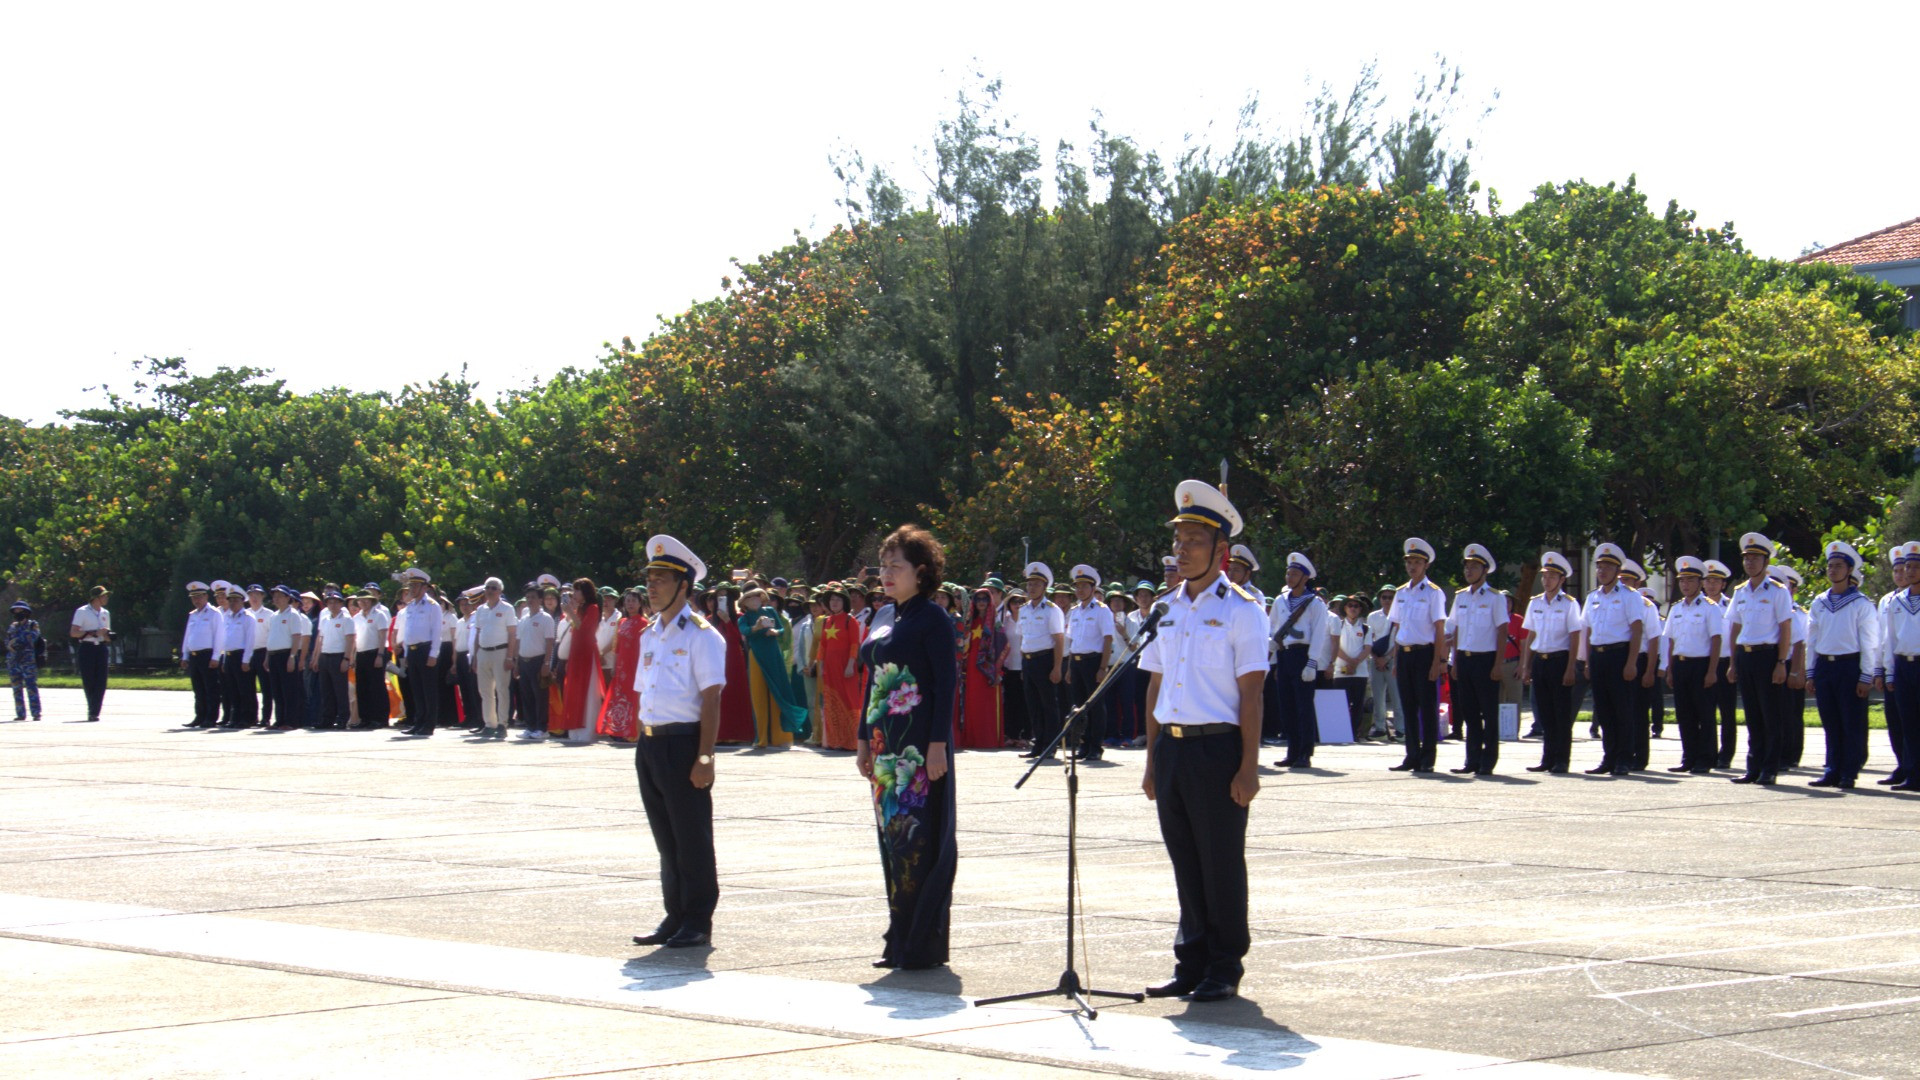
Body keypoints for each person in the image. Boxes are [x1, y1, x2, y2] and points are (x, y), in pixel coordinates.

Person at [1139, 479, 1268, 1003]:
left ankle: (1224, 963)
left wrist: (1249, 767)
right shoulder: (1165, 608)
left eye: (1194, 539)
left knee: (1219, 861)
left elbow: (1252, 695)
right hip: (1171, 748)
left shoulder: (1242, 610)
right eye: (1178, 540)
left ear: (1222, 551)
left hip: (1218, 751)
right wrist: (1151, 761)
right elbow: (1154, 685)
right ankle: (1190, 960)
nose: (1182, 549)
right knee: (1185, 861)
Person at [856, 525, 959, 970]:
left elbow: (945, 684)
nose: (886, 574)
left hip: (918, 751)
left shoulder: (932, 618)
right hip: (885, 748)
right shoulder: (886, 617)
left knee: (916, 842)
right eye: (883, 565)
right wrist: (862, 740)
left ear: (921, 571)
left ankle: (920, 943)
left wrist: (938, 746)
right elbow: (874, 684)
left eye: (896, 566)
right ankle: (898, 936)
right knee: (891, 843)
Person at [626, 538, 727, 950]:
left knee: (691, 837)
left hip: (685, 744)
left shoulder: (703, 635)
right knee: (666, 839)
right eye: (649, 578)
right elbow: (642, 691)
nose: (651, 587)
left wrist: (705, 757)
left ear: (683, 585)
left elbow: (711, 699)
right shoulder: (651, 634)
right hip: (651, 745)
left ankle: (698, 919)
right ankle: (675, 913)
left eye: (661, 579)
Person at [1803, 542, 1879, 790]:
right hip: (1826, 666)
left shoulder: (1860, 603)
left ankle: (1849, 771)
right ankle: (1831, 769)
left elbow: (1870, 643)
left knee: (1851, 721)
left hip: (1849, 665)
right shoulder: (1819, 602)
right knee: (1831, 722)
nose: (1833, 570)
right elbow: (1812, 640)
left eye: (1838, 566)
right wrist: (1810, 672)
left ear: (1849, 570)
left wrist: (1866, 675)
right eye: (1830, 566)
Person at [1726, 533, 1795, 785]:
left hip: (1768, 656)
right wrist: (1733, 662)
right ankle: (1753, 767)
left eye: (1755, 559)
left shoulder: (1778, 591)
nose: (1750, 563)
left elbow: (1785, 628)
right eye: (1747, 559)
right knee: (1752, 715)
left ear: (1766, 563)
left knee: (1770, 715)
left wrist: (1781, 662)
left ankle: (1770, 768)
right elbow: (1735, 627)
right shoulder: (1740, 592)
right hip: (1746, 656)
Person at [1579, 543, 1645, 777]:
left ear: (1618, 570)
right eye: (1599, 566)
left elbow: (1637, 630)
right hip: (1598, 656)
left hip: (1620, 655)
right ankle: (1609, 757)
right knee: (1604, 710)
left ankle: (1625, 759)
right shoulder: (1593, 597)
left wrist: (1631, 662)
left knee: (1622, 710)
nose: (1602, 570)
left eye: (1607, 566)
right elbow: (1587, 630)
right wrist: (1587, 661)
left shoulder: (1630, 596)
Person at [1654, 557, 1721, 774]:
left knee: (1705, 714)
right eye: (1682, 580)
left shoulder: (1710, 608)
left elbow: (1716, 639)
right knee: (1685, 715)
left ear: (1700, 582)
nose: (1685, 584)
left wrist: (1712, 671)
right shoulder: (1676, 609)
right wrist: (1670, 669)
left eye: (1690, 580)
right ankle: (1688, 757)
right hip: (1681, 665)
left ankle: (1706, 758)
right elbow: (1671, 640)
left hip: (1701, 665)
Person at [1446, 544, 1509, 776]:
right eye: (1467, 567)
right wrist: (1455, 661)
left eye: (1474, 567)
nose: (1469, 571)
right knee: (1469, 712)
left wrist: (1498, 664)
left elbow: (1502, 631)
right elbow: (1456, 629)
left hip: (1486, 659)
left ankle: (1488, 761)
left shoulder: (1495, 598)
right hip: (1465, 658)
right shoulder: (1461, 597)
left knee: (1489, 714)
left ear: (1485, 570)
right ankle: (1471, 759)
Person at [1519, 552, 1583, 774]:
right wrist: (1526, 665)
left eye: (1552, 577)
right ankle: (1547, 758)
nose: (1547, 580)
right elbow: (1530, 636)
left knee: (1561, 715)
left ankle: (1561, 760)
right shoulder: (1535, 603)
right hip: (1541, 660)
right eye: (1545, 576)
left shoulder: (1569, 604)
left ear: (1561, 579)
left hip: (1560, 660)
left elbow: (1575, 636)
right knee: (1545, 714)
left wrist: (1570, 667)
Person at [1388, 539, 1448, 774]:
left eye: (1417, 562)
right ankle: (1411, 755)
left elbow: (1439, 629)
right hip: (1404, 654)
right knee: (1407, 707)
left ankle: (1428, 757)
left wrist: (1437, 662)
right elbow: (1398, 628)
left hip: (1425, 654)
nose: (1412, 566)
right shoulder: (1401, 592)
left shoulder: (1433, 593)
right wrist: (1395, 659)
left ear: (1425, 565)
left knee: (1427, 707)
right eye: (1409, 562)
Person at [1269, 553, 1330, 769]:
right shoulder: (1280, 600)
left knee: (1304, 707)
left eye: (1295, 574)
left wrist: (1312, 662)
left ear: (1305, 578)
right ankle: (1292, 751)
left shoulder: (1314, 603)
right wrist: (1275, 661)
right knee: (1287, 706)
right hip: (1285, 655)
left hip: (1303, 655)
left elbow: (1319, 633)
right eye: (1288, 572)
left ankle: (1305, 752)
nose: (1289, 577)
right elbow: (1274, 629)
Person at [737, 588, 807, 747]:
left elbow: (782, 629)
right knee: (758, 696)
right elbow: (744, 631)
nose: (754, 600)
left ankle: (780, 736)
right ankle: (761, 738)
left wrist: (775, 632)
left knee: (778, 693)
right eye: (750, 598)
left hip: (773, 655)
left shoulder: (769, 610)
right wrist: (756, 627)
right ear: (745, 603)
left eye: (756, 597)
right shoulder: (745, 617)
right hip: (757, 656)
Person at [1063, 565, 1115, 761]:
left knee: (1095, 706)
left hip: (1093, 661)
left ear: (1093, 589)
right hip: (1076, 662)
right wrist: (1069, 668)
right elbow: (1072, 641)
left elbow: (1107, 639)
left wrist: (1103, 667)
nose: (1080, 590)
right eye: (1077, 587)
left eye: (1084, 586)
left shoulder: (1102, 610)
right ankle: (1083, 745)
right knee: (1078, 706)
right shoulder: (1075, 612)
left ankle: (1095, 746)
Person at [1880, 541, 1920, 792]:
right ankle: (1913, 774)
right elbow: (1890, 639)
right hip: (1904, 666)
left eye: (1915, 567)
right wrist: (1889, 671)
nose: (1910, 571)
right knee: (1909, 724)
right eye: (1907, 566)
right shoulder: (1897, 601)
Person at [1017, 563, 1067, 762]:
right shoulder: (1024, 609)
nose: (1032, 588)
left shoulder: (1051, 610)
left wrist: (1056, 667)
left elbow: (1059, 639)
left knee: (1049, 704)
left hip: (1045, 659)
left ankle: (1050, 744)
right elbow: (1024, 639)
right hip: (1029, 661)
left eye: (1036, 584)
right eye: (1029, 584)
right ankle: (1037, 743)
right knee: (1033, 705)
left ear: (1045, 587)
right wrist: (1023, 664)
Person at [1617, 560, 1661, 772]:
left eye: (1627, 580)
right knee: (1620, 710)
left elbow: (1653, 639)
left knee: (1638, 712)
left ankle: (1639, 756)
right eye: (1621, 579)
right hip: (1619, 658)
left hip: (1640, 660)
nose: (1623, 583)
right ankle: (1620, 753)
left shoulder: (1646, 606)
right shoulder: (1614, 601)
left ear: (1637, 582)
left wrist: (1650, 670)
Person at [956, 584, 1007, 751]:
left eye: (985, 599)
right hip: (971, 668)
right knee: (972, 703)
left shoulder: (995, 622)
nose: (981, 602)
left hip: (989, 669)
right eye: (978, 599)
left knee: (987, 705)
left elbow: (1004, 646)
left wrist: (997, 670)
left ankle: (988, 739)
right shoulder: (971, 621)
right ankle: (973, 739)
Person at [553, 578, 602, 741]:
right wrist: (571, 611)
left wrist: (571, 612)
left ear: (585, 592)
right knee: (573, 689)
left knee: (587, 690)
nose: (574, 594)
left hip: (587, 654)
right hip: (575, 653)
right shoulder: (579, 609)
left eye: (577, 591)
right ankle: (574, 728)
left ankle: (587, 729)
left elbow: (584, 628)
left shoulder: (593, 608)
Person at [1703, 559, 1740, 769]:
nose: (1711, 585)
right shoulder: (1698, 605)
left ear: (1723, 584)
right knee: (1706, 712)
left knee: (1727, 712)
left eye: (1715, 581)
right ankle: (1707, 752)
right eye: (1707, 581)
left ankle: (1726, 754)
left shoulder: (1730, 606)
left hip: (1725, 663)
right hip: (1704, 662)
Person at [598, 587, 646, 742]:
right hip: (621, 667)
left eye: (633, 601)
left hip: (635, 666)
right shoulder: (622, 622)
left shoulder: (644, 623)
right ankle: (618, 729)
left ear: (640, 603)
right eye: (628, 601)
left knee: (633, 698)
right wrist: (614, 666)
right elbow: (617, 647)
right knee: (619, 697)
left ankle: (632, 732)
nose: (630, 604)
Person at [512, 582, 556, 740]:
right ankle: (530, 726)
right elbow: (518, 641)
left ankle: (541, 727)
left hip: (538, 661)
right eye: (528, 597)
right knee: (526, 695)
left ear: (540, 599)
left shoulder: (546, 618)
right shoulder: (523, 619)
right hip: (524, 661)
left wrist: (546, 664)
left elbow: (550, 642)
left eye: (533, 597)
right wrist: (516, 663)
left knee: (540, 696)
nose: (530, 600)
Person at [264, 585, 310, 730]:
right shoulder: (274, 615)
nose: (276, 599)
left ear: (288, 598)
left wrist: (292, 656)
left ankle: (291, 721)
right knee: (277, 690)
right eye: (274, 596)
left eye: (280, 596)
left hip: (286, 654)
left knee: (289, 690)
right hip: (273, 654)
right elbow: (270, 637)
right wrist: (266, 657)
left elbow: (297, 636)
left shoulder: (293, 614)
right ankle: (280, 719)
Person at [1328, 595, 1372, 741]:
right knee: (1341, 704)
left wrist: (1355, 662)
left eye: (1356, 606)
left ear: (1360, 610)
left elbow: (1367, 648)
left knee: (1357, 705)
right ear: (1345, 608)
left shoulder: (1366, 628)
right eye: (1350, 606)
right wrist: (1348, 661)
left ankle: (1354, 734)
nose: (1353, 608)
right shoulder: (1338, 625)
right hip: (1340, 671)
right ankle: (1341, 734)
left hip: (1360, 672)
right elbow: (1334, 646)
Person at [311, 589, 356, 729]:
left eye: (336, 602)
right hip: (325, 655)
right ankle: (327, 719)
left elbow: (350, 639)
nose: (333, 605)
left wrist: (346, 658)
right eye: (330, 602)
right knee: (326, 690)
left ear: (341, 603)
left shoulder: (346, 619)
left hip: (338, 656)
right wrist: (317, 658)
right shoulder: (325, 619)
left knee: (340, 690)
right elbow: (320, 639)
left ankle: (343, 718)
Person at [180, 582, 223, 727]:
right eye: (193, 598)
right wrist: (185, 656)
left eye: (199, 597)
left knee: (210, 688)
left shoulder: (214, 613)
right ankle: (200, 716)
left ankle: (211, 718)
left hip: (207, 654)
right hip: (194, 655)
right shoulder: (193, 615)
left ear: (205, 596)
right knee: (198, 689)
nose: (196, 601)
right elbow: (188, 636)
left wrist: (216, 656)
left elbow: (219, 636)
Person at [68, 585, 111, 722]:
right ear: (96, 598)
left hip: (101, 648)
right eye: (103, 595)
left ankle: (94, 711)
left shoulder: (105, 613)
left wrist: (107, 635)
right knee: (89, 680)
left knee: (101, 681)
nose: (106, 598)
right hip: (87, 648)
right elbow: (74, 632)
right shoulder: (82, 612)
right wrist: (91, 632)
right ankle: (92, 709)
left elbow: (106, 636)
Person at [218, 586, 259, 728]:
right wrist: (223, 660)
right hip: (229, 656)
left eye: (236, 600)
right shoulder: (227, 617)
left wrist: (246, 660)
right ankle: (234, 717)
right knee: (232, 689)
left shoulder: (248, 617)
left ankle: (248, 718)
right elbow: (225, 640)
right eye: (231, 600)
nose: (233, 603)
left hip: (241, 655)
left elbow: (250, 640)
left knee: (245, 689)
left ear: (242, 601)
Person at [352, 583, 391, 729]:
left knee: (377, 686)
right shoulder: (356, 618)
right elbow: (355, 639)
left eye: (366, 600)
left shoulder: (379, 615)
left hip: (375, 652)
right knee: (362, 687)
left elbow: (382, 636)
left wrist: (380, 655)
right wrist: (352, 656)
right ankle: (365, 718)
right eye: (361, 601)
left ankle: (380, 718)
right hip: (361, 654)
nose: (363, 603)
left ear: (371, 601)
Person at [1366, 585, 1401, 741]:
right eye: (1384, 597)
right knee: (1378, 696)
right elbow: (1369, 639)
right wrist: (1376, 658)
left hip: (1393, 659)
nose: (1387, 600)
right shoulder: (1373, 616)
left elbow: (1399, 640)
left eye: (1390, 597)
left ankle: (1401, 729)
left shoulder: (1401, 616)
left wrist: (1387, 658)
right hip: (1375, 659)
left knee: (1396, 695)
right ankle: (1380, 728)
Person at [8, 601, 45, 722]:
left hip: (28, 661)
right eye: (15, 611)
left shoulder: (33, 625)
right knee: (16, 688)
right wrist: (11, 644)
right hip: (14, 660)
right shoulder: (13, 626)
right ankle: (20, 713)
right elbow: (7, 640)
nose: (17, 613)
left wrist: (16, 640)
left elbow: (32, 637)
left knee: (31, 687)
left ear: (26, 612)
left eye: (20, 611)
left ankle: (36, 712)